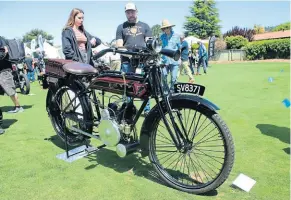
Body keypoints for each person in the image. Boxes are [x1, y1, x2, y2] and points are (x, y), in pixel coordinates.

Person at [115, 2, 152, 115]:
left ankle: (146, 110)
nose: (130, 14)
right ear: (126, 13)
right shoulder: (121, 27)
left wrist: (148, 54)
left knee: (144, 85)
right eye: (128, 12)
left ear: (137, 11)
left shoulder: (145, 26)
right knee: (127, 86)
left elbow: (149, 42)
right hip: (126, 61)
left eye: (132, 11)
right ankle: (128, 109)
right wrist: (129, 54)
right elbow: (119, 44)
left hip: (142, 61)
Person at [0, 37, 24, 113]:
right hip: (2, 69)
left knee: (10, 89)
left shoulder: (1, 40)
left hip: (4, 70)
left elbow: (5, 51)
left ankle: (18, 107)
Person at [160, 19, 181, 92]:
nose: (166, 29)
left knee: (174, 78)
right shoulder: (161, 37)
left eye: (167, 27)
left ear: (170, 27)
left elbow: (179, 48)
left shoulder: (177, 36)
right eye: (165, 28)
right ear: (163, 29)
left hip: (174, 60)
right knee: (163, 76)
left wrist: (180, 59)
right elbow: (160, 48)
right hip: (164, 61)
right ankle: (166, 92)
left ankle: (173, 92)